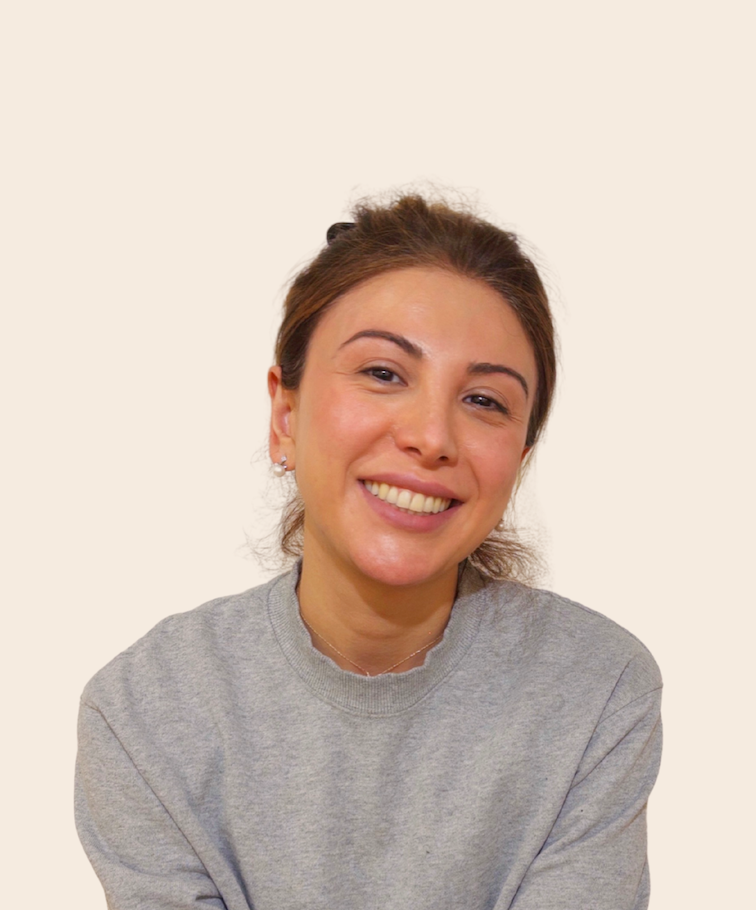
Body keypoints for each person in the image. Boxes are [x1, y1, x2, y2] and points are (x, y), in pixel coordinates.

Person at [75, 193, 662, 909]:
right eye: (384, 373)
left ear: (519, 460)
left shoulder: (596, 690)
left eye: (485, 401)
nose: (431, 436)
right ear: (284, 415)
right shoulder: (147, 710)